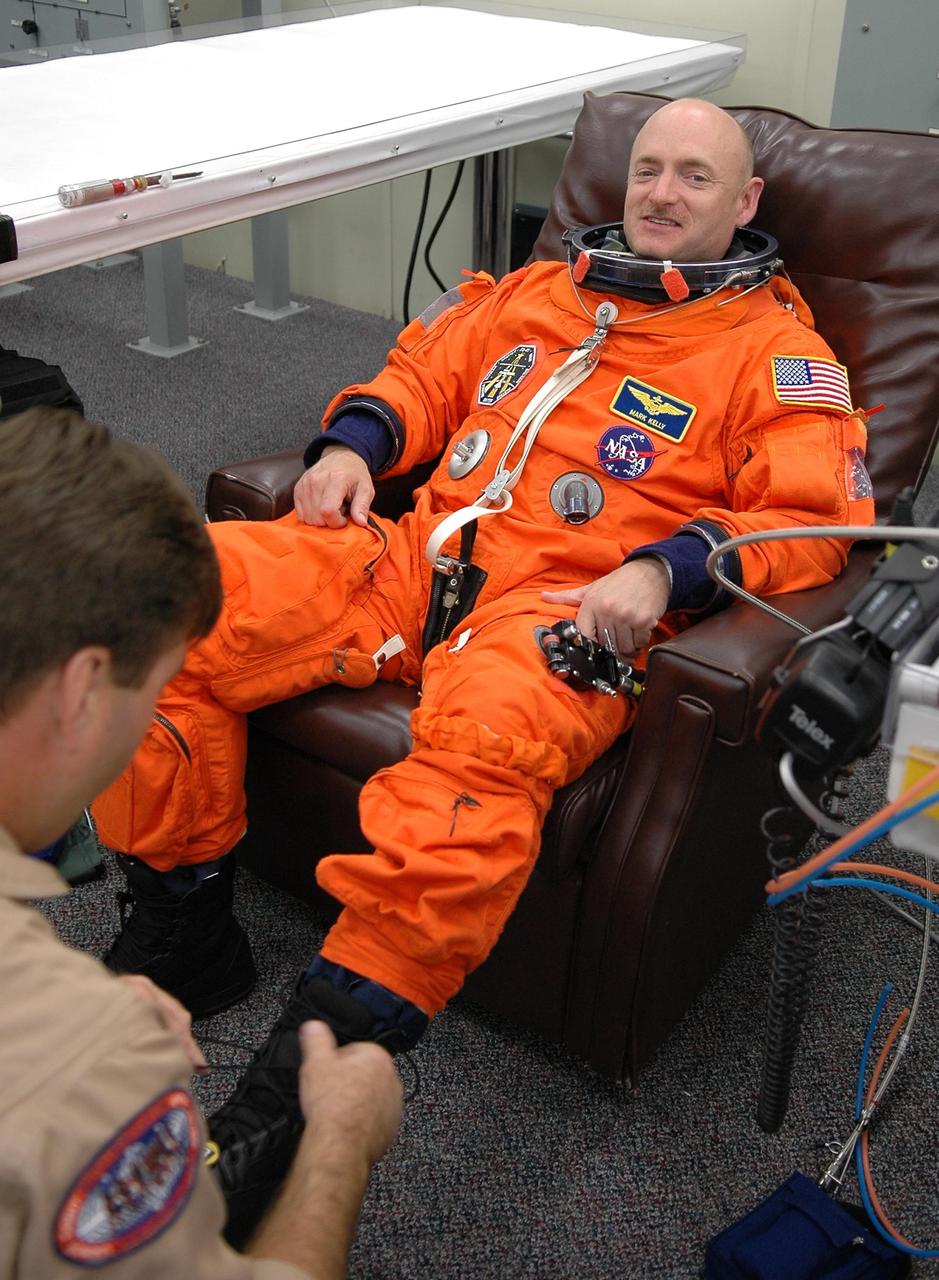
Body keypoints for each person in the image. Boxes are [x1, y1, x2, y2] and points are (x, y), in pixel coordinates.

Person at [92, 98, 875, 1229]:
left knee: (477, 768)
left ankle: (297, 1092)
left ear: (746, 203)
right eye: (646, 169)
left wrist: (667, 571)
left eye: (694, 178)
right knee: (165, 604)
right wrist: (352, 449)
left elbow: (809, 521)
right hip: (414, 558)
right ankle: (187, 929)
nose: (660, 193)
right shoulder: (532, 293)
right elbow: (419, 375)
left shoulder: (778, 352)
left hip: (564, 614)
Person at [0, 408, 402, 1278]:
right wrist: (340, 1136)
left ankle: (191, 927)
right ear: (82, 696)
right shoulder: (78, 1056)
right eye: (146, 691)